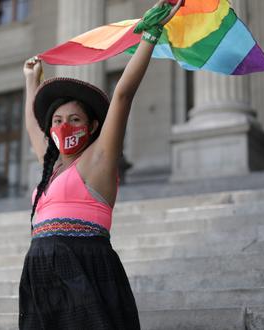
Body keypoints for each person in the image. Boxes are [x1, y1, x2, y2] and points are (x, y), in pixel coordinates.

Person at [19, 1, 183, 329]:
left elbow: (122, 95)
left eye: (75, 119)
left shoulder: (98, 160)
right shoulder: (51, 167)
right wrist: (30, 82)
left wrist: (150, 36)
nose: (64, 126)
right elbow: (33, 128)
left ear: (92, 127)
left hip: (84, 266)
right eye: (58, 120)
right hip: (39, 274)